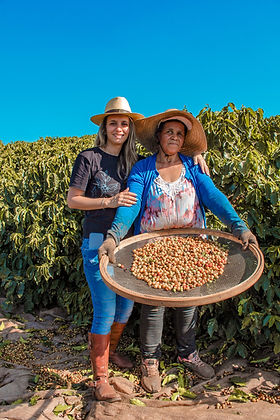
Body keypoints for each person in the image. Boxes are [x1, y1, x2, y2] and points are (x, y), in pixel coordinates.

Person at [98, 109, 258, 394]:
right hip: (151, 247)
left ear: (184, 141)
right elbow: (131, 206)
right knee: (153, 303)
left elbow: (214, 198)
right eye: (169, 131)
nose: (174, 136)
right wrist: (113, 236)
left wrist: (238, 226)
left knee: (189, 300)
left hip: (193, 245)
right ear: (159, 136)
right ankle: (150, 361)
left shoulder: (194, 168)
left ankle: (188, 354)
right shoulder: (143, 169)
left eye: (179, 133)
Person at [67, 98, 210, 402]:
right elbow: (73, 200)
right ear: (104, 127)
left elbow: (169, 156)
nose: (119, 128)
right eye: (113, 122)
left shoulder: (132, 161)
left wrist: (199, 154)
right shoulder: (89, 158)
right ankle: (100, 378)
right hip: (98, 239)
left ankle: (113, 352)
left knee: (126, 307)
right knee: (105, 309)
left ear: (130, 128)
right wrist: (109, 201)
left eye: (124, 123)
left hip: (130, 245)